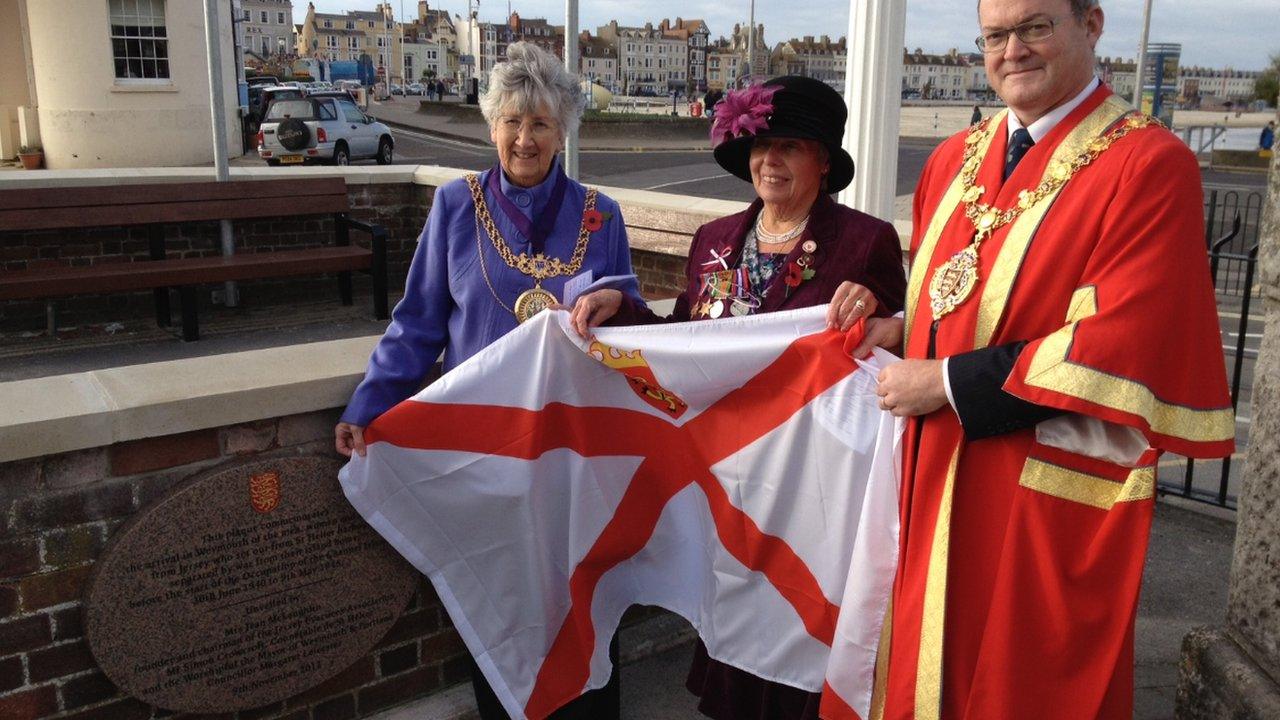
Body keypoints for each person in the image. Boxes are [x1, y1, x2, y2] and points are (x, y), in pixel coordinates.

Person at [831, 1, 1235, 718]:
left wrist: (946, 380)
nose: (1012, 50)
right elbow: (965, 291)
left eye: (1035, 26)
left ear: (1092, 24)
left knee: (1009, 685)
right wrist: (903, 326)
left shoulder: (1148, 163)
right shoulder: (955, 157)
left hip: (1032, 484)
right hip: (926, 472)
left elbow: (1119, 341)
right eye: (995, 35)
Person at [570, 75, 908, 720]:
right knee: (733, 633)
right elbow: (686, 348)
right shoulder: (715, 239)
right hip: (729, 479)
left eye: (788, 146)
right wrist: (622, 311)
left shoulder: (865, 242)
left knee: (801, 646)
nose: (769, 161)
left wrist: (886, 317)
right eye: (758, 146)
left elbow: (894, 357)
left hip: (814, 490)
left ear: (824, 161)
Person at [335, 41, 638, 720]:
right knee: (495, 598)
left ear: (563, 131)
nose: (524, 139)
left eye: (539, 123)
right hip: (484, 449)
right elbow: (418, 324)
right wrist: (372, 401)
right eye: (511, 121)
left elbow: (631, 334)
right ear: (491, 125)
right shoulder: (454, 207)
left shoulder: (601, 214)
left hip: (573, 451)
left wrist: (619, 302)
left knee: (584, 595)